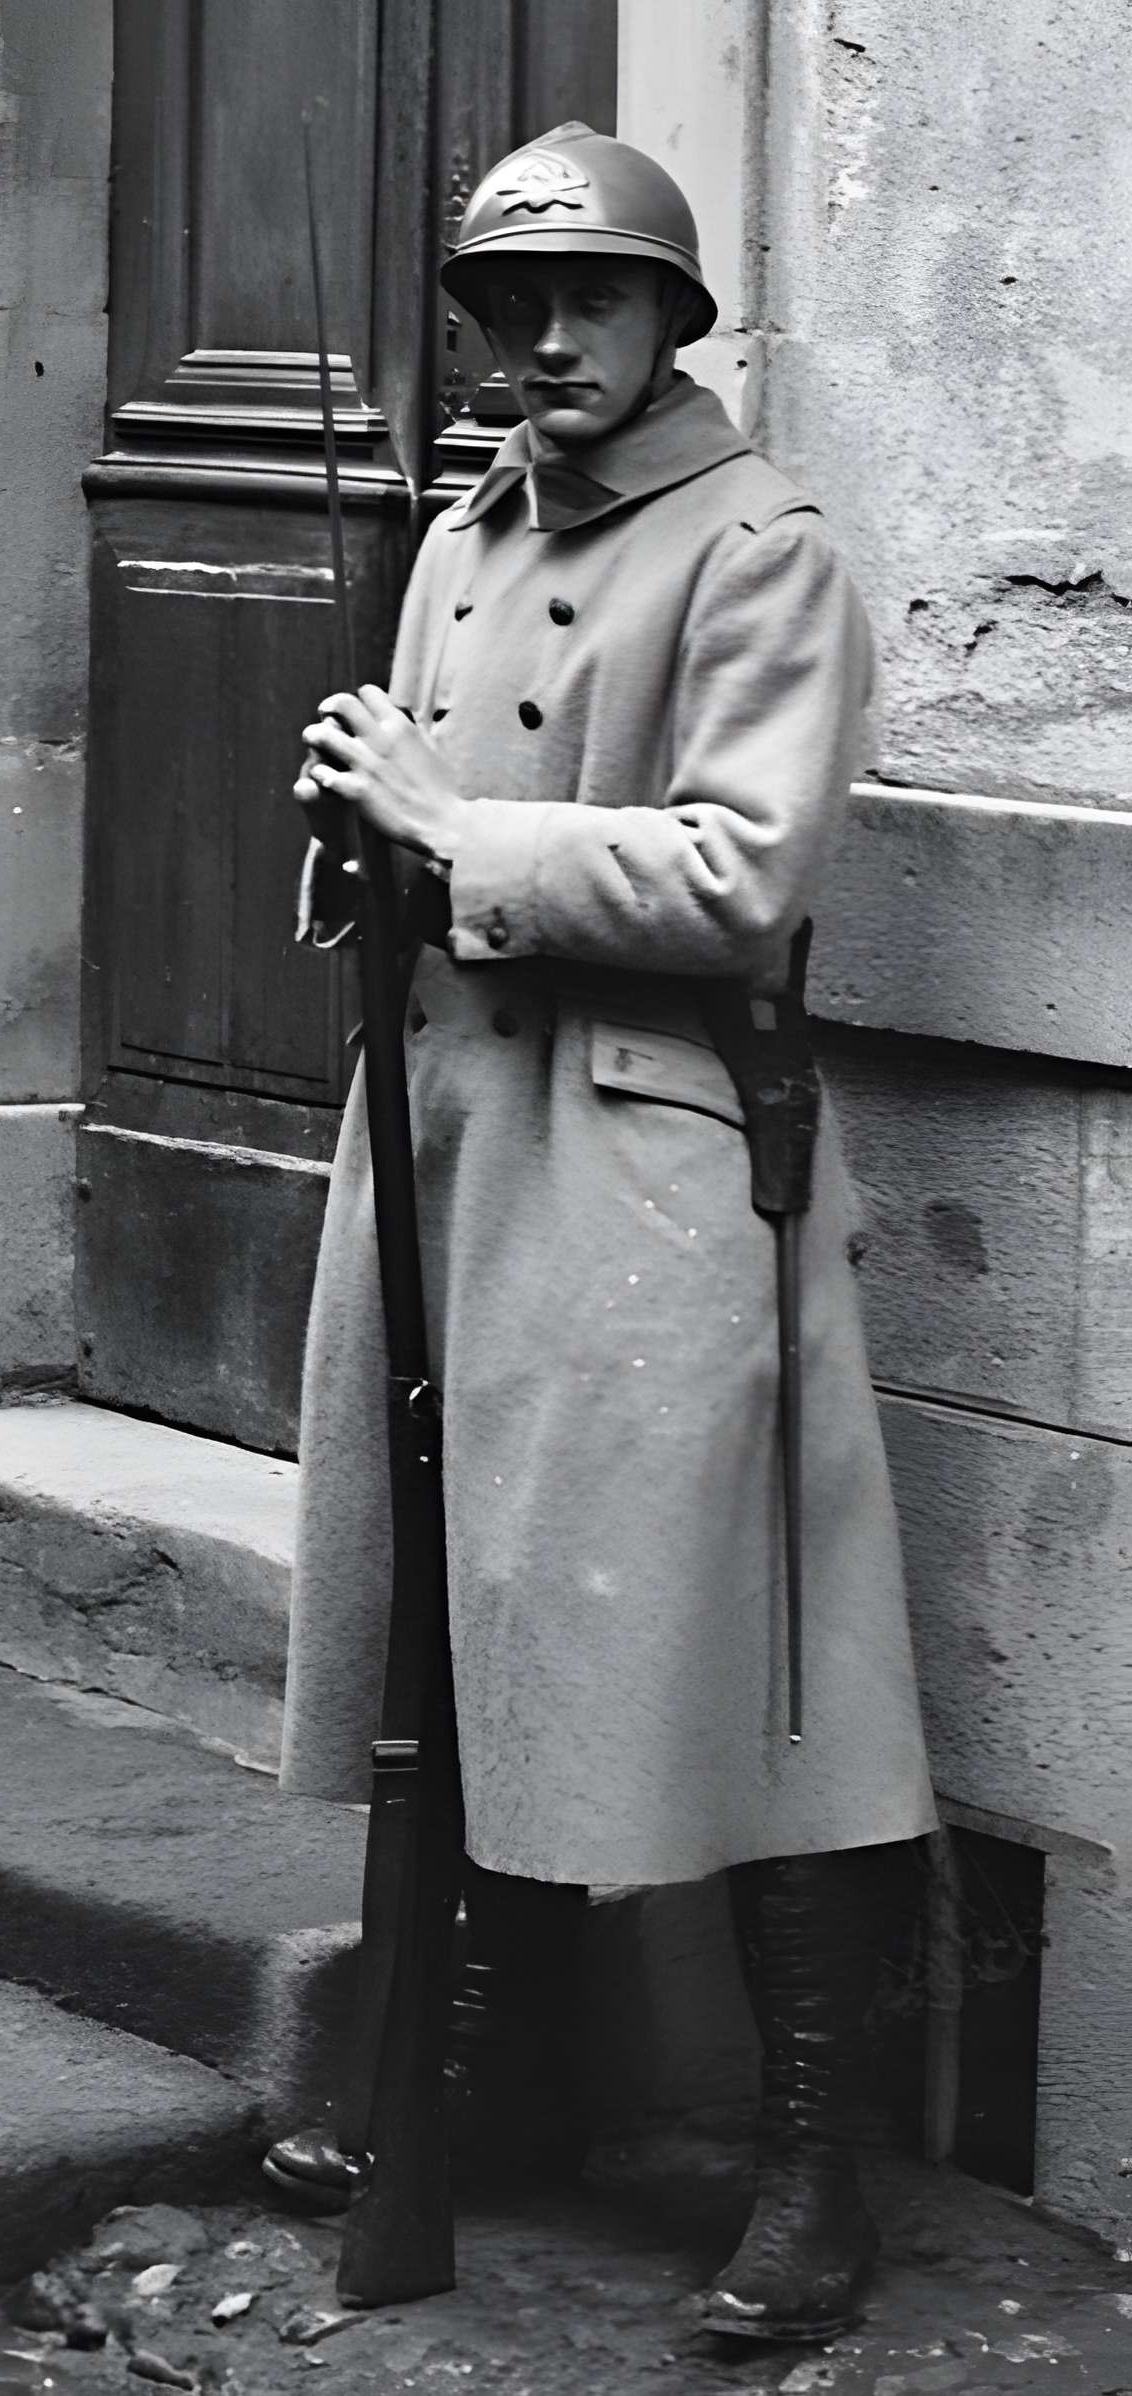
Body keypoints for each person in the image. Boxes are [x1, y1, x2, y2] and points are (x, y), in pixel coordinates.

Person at [263, 126, 935, 2345]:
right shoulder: (461, 527)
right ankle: (488, 2075)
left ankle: (814, 2168)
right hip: (453, 1130)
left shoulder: (760, 550)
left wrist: (457, 828)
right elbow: (424, 808)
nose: (543, 339)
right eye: (506, 303)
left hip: (650, 1163)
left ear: (670, 321)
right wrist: (355, 815)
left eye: (590, 301)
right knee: (457, 1621)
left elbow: (742, 869)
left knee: (757, 1660)